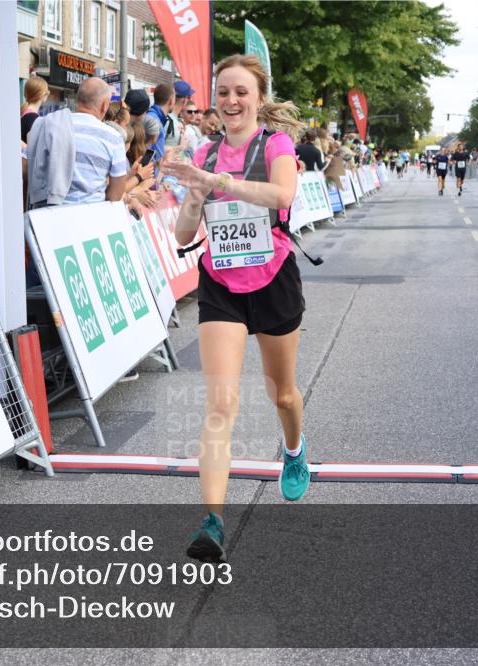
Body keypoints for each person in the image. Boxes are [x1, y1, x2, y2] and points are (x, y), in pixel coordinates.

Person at [161, 54, 310, 564]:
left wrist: (218, 182)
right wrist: (196, 194)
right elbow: (183, 234)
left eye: (241, 91)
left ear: (259, 99)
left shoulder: (276, 145)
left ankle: (294, 449)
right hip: (221, 281)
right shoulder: (203, 152)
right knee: (221, 403)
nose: (231, 100)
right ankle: (213, 521)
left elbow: (282, 193)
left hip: (272, 279)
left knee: (283, 394)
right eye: (223, 92)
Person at [65, 77, 128, 204]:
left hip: (48, 215)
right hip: (91, 216)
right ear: (105, 105)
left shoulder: (53, 124)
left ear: (78, 99)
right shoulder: (113, 138)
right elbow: (115, 195)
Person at [145, 83, 174, 161]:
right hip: (151, 171)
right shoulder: (154, 120)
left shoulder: (154, 117)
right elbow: (146, 152)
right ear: (171, 101)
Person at [166, 80, 194, 148]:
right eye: (189, 97)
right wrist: (182, 146)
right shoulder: (169, 121)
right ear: (184, 100)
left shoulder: (169, 118)